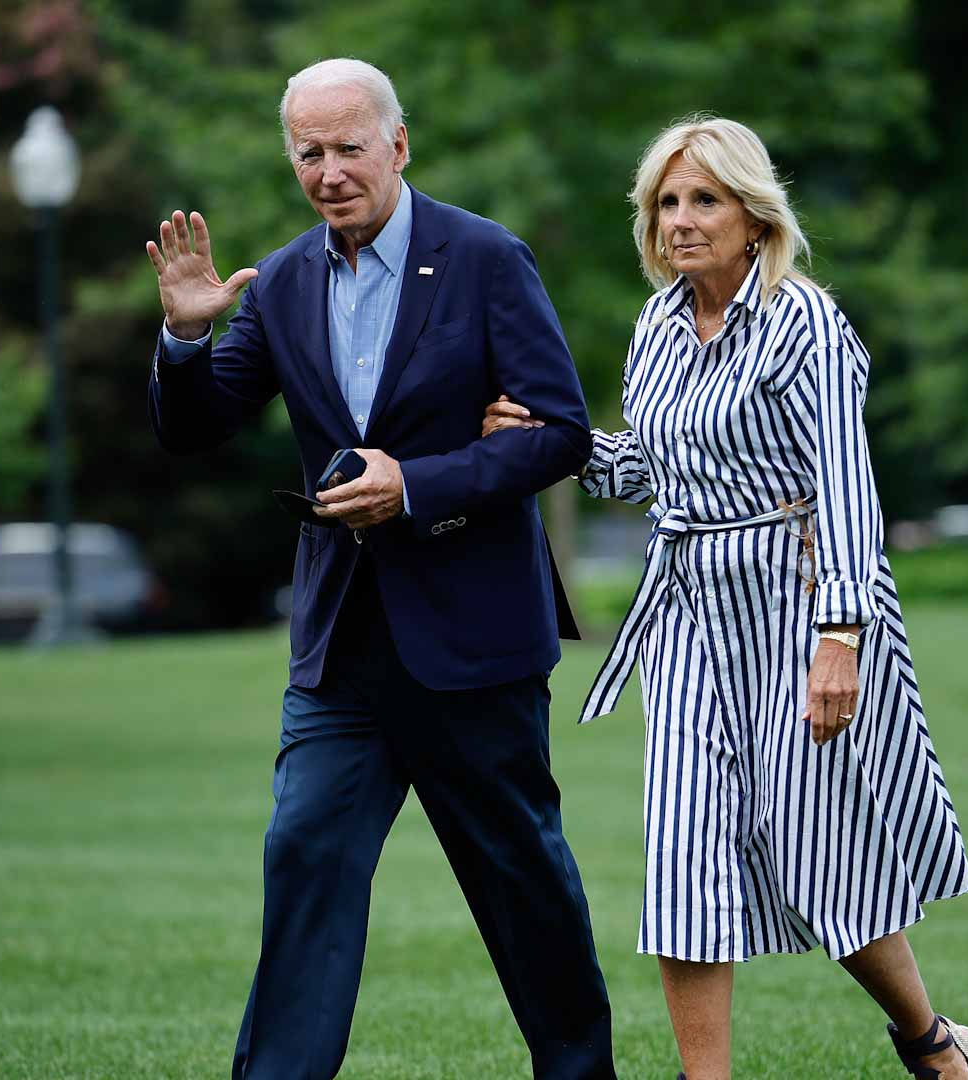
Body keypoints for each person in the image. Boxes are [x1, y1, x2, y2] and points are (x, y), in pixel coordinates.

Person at [483, 116, 968, 1080]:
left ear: (755, 218)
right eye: (666, 202)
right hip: (685, 614)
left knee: (816, 855)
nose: (680, 220)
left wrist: (841, 636)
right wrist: (546, 440)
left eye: (703, 200)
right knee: (682, 859)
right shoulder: (657, 327)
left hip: (802, 607)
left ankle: (929, 1043)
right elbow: (647, 468)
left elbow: (847, 484)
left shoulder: (807, 323)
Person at [146, 58, 616, 1080]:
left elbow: (560, 435)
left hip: (474, 641)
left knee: (522, 882)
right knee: (304, 857)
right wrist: (186, 338)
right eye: (307, 153)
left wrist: (418, 484)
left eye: (348, 147)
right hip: (341, 651)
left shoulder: (488, 259)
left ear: (399, 144)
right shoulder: (279, 284)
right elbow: (198, 428)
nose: (328, 171)